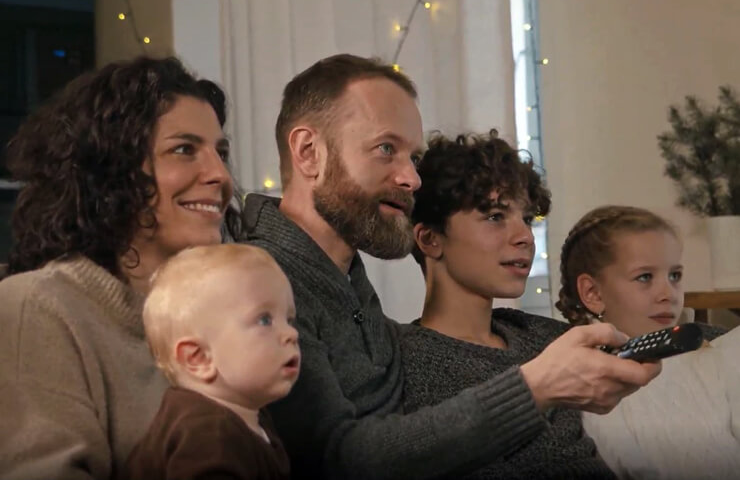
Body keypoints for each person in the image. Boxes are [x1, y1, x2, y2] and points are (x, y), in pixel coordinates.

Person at [243, 53, 660, 480]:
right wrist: (535, 389)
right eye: (386, 149)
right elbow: (337, 460)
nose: (412, 179)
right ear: (308, 152)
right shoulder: (260, 282)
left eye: (412, 157)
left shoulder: (348, 281)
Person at [0, 56, 241, 480]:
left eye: (220, 153)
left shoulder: (221, 317)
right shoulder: (36, 307)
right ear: (110, 170)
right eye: (184, 149)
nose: (220, 175)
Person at [401, 130, 615, 479]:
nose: (525, 237)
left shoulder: (541, 336)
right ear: (430, 239)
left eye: (527, 219)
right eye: (495, 216)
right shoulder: (404, 362)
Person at [556, 205, 739, 479]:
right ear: (593, 293)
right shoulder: (587, 383)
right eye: (644, 277)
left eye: (675, 276)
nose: (668, 294)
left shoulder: (714, 357)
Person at [125, 244, 298, 479]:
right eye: (264, 320)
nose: (291, 334)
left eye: (289, 319)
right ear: (199, 358)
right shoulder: (205, 435)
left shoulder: (251, 415)